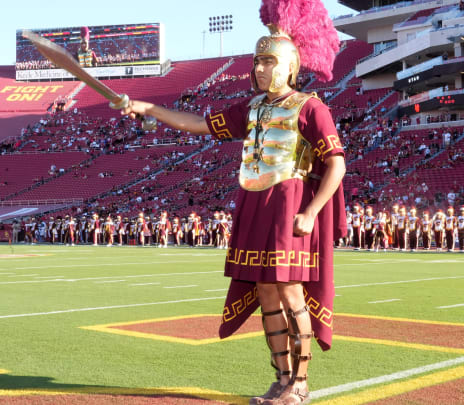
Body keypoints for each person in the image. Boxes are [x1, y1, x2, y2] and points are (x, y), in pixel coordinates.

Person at [118, 2, 345, 403]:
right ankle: (280, 376)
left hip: (289, 205)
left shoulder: (310, 106)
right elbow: (199, 124)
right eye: (257, 62)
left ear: (290, 65)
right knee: (265, 292)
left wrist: (311, 212)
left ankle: (301, 383)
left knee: (290, 292)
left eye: (269, 61)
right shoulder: (251, 108)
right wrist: (145, 107)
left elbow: (337, 165)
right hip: (254, 204)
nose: (260, 69)